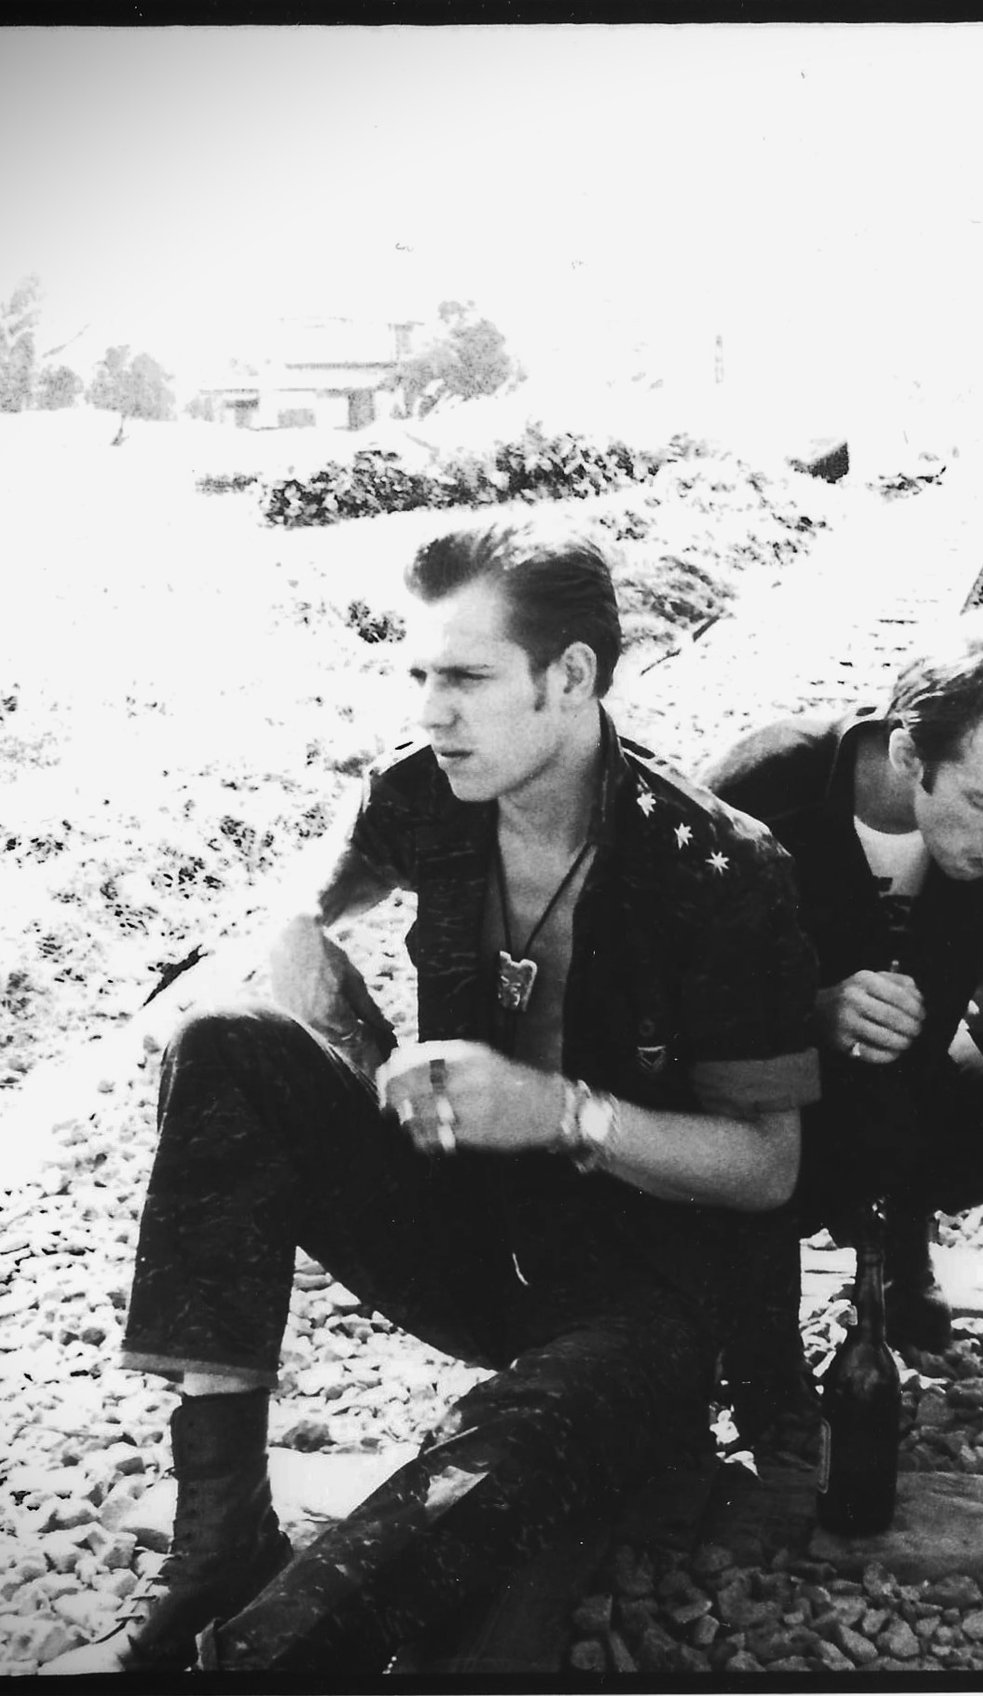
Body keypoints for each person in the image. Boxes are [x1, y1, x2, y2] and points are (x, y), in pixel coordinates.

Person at [52, 515, 821, 1673]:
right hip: (472, 1232)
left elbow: (768, 1165)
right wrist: (298, 926)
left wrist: (564, 1113)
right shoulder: (427, 794)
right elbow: (331, 873)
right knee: (222, 1039)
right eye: (418, 674)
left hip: (650, 1294)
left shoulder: (718, 870)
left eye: (464, 677)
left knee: (490, 1468)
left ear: (571, 678)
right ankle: (222, 1535)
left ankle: (264, 1656)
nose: (429, 710)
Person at [699, 626, 983, 1408]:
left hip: (892, 1075)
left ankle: (892, 1219)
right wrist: (808, 1012)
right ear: (911, 758)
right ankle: (756, 1271)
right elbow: (653, 996)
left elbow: (982, 959)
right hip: (756, 1091)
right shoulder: (764, 787)